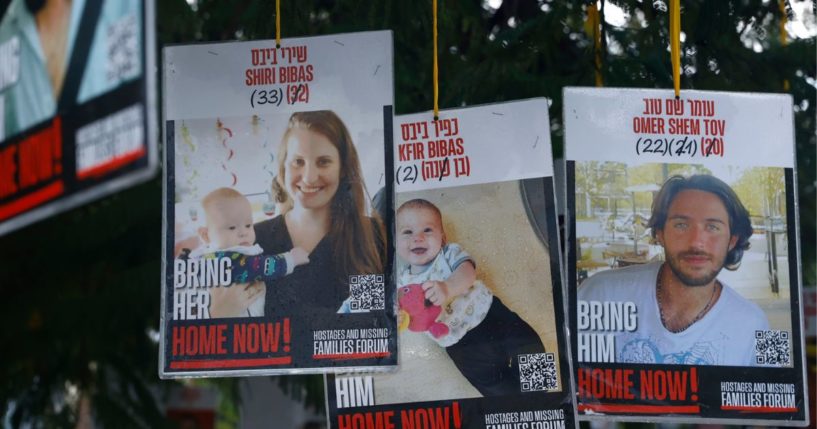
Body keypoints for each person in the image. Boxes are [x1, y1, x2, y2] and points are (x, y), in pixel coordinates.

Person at [578, 174, 770, 366]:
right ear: (660, 233)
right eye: (681, 225)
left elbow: (783, 390)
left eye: (712, 227)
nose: (696, 242)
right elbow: (552, 358)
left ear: (732, 240)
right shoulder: (599, 292)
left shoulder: (758, 322)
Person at [394, 199, 545, 396]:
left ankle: (542, 396)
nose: (418, 238)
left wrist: (448, 287)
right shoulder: (401, 283)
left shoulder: (448, 253)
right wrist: (396, 316)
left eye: (428, 230)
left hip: (491, 315)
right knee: (493, 386)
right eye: (408, 232)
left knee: (531, 346)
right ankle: (518, 408)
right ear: (396, 243)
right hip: (461, 346)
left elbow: (467, 272)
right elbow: (398, 313)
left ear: (443, 238)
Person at [253, 110, 386, 319]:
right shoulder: (253, 240)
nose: (309, 177)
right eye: (298, 161)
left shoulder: (369, 235)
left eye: (323, 162)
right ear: (283, 166)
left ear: (343, 168)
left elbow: (367, 324)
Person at [187, 187, 308, 318]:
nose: (243, 232)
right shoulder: (223, 258)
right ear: (206, 235)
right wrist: (290, 259)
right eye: (232, 227)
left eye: (248, 225)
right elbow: (258, 267)